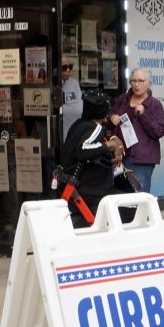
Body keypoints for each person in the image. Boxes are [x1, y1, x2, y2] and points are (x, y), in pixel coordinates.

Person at [57, 91, 130, 227]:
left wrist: (111, 140)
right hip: (89, 189)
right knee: (130, 205)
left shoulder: (78, 124)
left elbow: (94, 140)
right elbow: (83, 149)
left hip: (73, 184)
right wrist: (110, 144)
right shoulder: (95, 127)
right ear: (103, 114)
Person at [107, 68, 164, 194]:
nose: (136, 84)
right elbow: (109, 119)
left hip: (141, 160)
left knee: (137, 199)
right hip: (119, 158)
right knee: (118, 196)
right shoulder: (123, 99)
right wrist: (111, 118)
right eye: (133, 81)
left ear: (148, 83)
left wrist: (144, 114)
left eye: (141, 81)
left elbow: (159, 131)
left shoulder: (155, 105)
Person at [59, 59, 83, 141]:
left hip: (74, 132)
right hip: (59, 132)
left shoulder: (74, 83)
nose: (68, 70)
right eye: (64, 67)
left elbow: (80, 104)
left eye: (70, 67)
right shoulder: (53, 84)